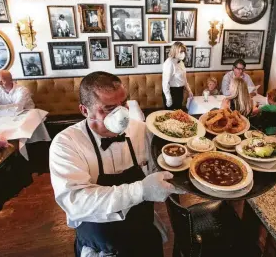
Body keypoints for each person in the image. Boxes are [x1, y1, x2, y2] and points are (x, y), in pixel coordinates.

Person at [49, 72, 183, 257]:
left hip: (143, 235)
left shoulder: (141, 130)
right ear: (85, 110)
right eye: (109, 108)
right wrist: (141, 190)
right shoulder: (66, 143)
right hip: (101, 245)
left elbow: (160, 167)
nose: (122, 114)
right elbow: (76, 201)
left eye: (124, 104)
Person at [162, 42, 193, 110]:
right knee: (171, 116)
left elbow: (184, 79)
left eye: (184, 51)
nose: (183, 53)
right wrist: (168, 98)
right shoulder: (169, 63)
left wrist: (189, 90)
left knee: (178, 114)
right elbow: (165, 82)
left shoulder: (181, 62)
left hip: (179, 91)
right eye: (181, 51)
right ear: (174, 51)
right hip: (171, 92)